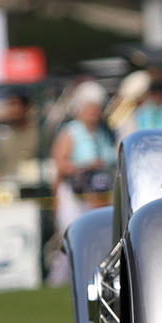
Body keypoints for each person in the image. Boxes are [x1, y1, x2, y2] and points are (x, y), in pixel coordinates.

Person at [52, 81, 117, 238]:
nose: (94, 112)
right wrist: (86, 167)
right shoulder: (70, 132)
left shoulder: (104, 132)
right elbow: (60, 164)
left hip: (101, 197)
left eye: (96, 108)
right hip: (76, 196)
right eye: (90, 108)